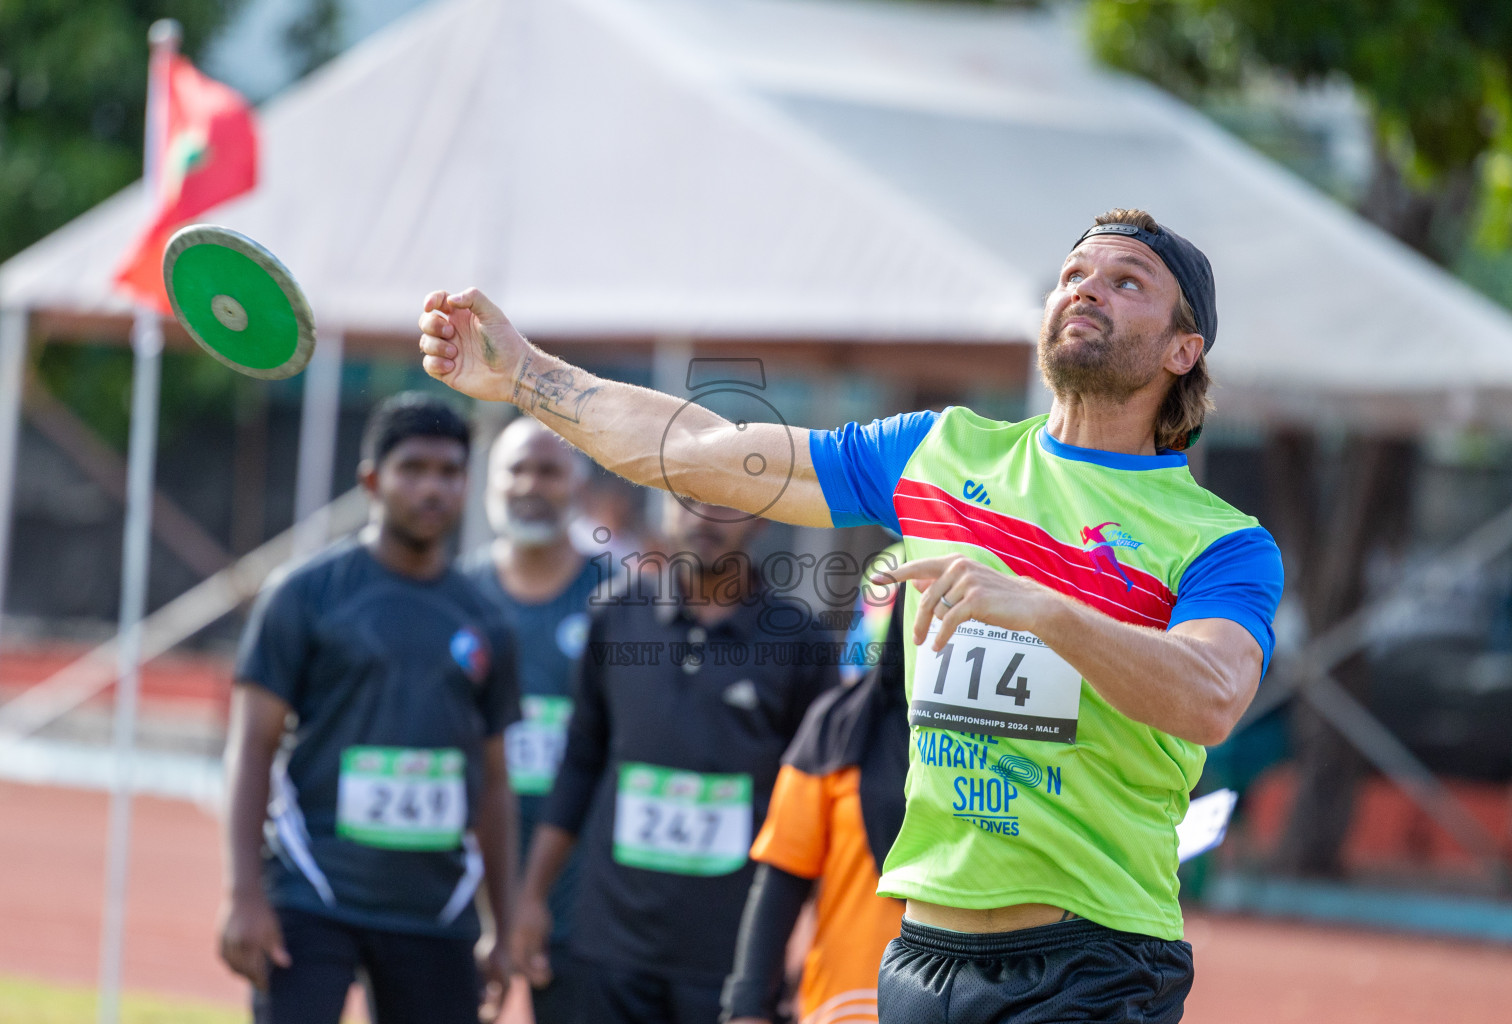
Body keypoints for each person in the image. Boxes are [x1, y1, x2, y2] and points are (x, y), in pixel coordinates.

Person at [418, 207, 1283, 1022]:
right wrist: (526, 376)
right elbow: (695, 454)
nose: (1087, 288)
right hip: (923, 953)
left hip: (1095, 959)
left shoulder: (1221, 541)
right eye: (1073, 273)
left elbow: (1208, 695)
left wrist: (1044, 610)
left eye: (1127, 280)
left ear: (1183, 350)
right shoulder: (941, 452)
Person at [218, 393, 522, 1024]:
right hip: (312, 890)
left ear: (467, 484)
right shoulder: (304, 596)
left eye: (448, 472)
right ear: (372, 480)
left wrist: (506, 922)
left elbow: (495, 781)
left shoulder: (488, 619)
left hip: (436, 908)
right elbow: (251, 747)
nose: (431, 488)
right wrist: (244, 892)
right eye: (413, 469)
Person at [511, 498, 838, 1024]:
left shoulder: (801, 641)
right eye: (687, 498)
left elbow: (820, 806)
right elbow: (580, 761)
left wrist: (814, 932)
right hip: (610, 948)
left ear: (761, 517)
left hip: (733, 959)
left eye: (725, 503)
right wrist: (531, 898)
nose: (702, 518)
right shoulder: (613, 615)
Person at [723, 543, 910, 1024]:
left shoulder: (1018, 750)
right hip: (845, 1003)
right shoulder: (836, 728)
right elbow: (783, 877)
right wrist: (748, 1008)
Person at [462, 416, 603, 1021]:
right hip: (460, 891)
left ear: (577, 483)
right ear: (490, 484)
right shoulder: (454, 596)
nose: (530, 483)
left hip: (582, 903)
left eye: (548, 469)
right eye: (515, 468)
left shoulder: (617, 604)